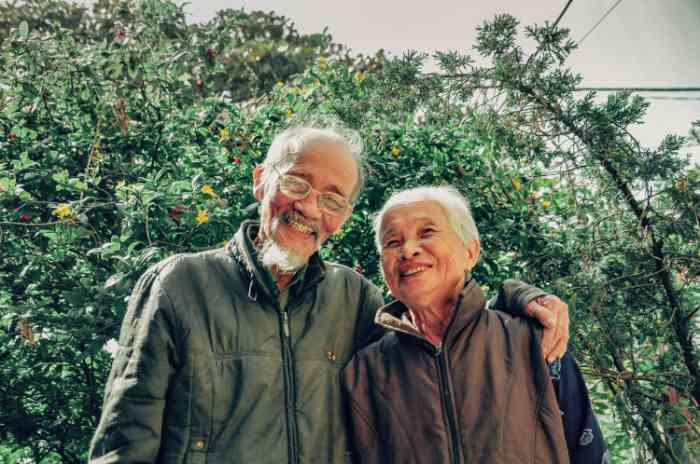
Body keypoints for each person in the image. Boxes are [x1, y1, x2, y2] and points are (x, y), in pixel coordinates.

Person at [89, 120, 571, 463]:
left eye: (333, 198)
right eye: (296, 182)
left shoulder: (354, 298)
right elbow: (124, 441)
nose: (310, 208)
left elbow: (445, 330)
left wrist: (518, 298)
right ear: (261, 181)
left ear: (342, 217)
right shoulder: (180, 285)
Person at [341, 186, 607, 464]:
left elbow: (588, 449)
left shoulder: (534, 341)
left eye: (427, 232)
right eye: (392, 242)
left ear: (470, 251)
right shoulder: (363, 373)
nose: (408, 250)